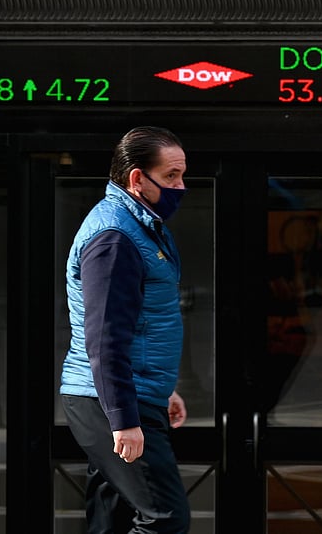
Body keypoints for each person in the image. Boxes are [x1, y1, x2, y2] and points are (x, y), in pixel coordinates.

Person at [60, 126, 190, 533]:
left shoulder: (139, 226)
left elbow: (141, 324)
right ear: (137, 178)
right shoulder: (114, 237)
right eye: (170, 176)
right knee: (164, 519)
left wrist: (160, 387)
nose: (180, 186)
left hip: (126, 394)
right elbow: (104, 337)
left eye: (181, 175)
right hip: (108, 401)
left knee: (111, 519)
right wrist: (123, 419)